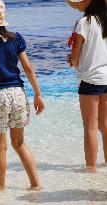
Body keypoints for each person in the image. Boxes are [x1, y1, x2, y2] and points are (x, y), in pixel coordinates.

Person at [0, 0, 45, 191]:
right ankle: (36, 185)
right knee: (19, 143)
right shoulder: (16, 39)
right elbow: (28, 68)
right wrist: (38, 94)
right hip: (18, 94)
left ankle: (0, 190)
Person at [66, 0, 107, 173]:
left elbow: (75, 59)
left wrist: (73, 61)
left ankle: (91, 171)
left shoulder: (84, 23)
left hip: (90, 80)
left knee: (90, 127)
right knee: (105, 126)